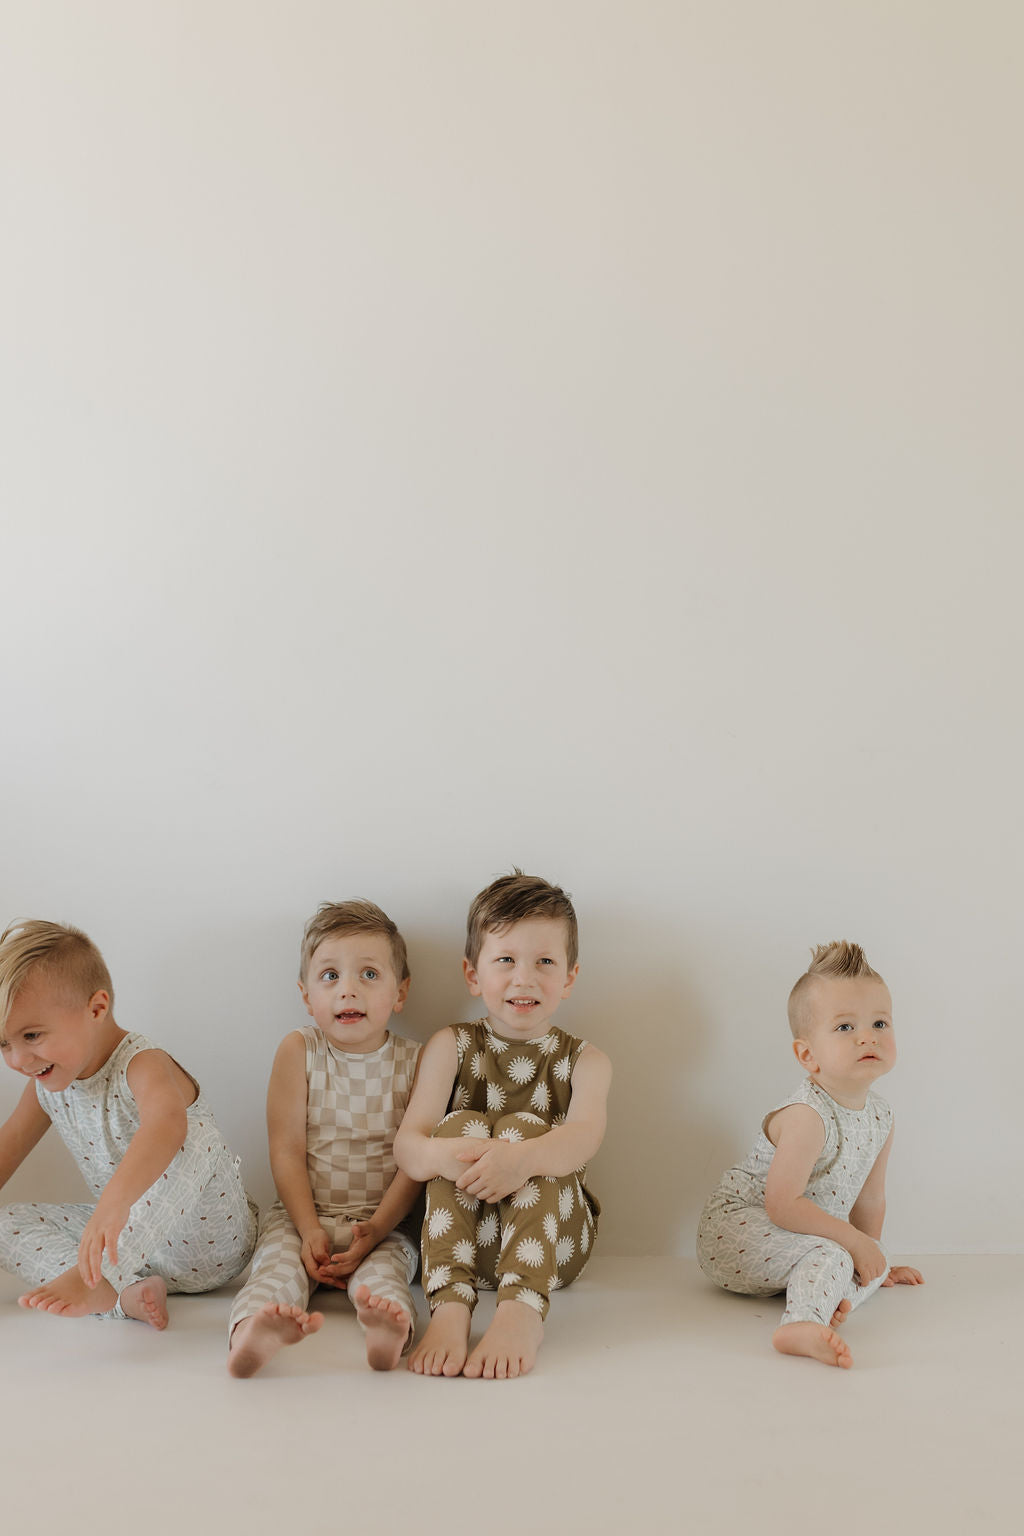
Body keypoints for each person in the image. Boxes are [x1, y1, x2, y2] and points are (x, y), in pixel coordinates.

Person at [395, 871, 611, 1380]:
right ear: (473, 975)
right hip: (460, 1238)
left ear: (569, 977)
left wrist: (521, 1158)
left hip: (554, 1244)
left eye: (544, 962)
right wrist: (444, 1155)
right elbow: (409, 1145)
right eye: (506, 960)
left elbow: (582, 1139)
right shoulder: (450, 1044)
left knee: (523, 1127)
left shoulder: (587, 1061)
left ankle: (521, 1312)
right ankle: (449, 1307)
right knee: (461, 1125)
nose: (524, 978)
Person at [0, 919, 257, 1327]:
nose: (16, 1059)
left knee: (195, 1136)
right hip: (130, 1252)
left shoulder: (142, 1063)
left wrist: (114, 1204)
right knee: (5, 1223)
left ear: (97, 1008)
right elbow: (7, 1147)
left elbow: (166, 1127)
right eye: (3, 1043)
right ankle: (121, 1296)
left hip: (209, 1246)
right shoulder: (45, 1087)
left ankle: (101, 1276)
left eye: (31, 1036)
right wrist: (109, 1220)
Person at [697, 940, 923, 1368]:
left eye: (880, 1023)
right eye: (844, 1028)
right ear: (807, 1054)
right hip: (737, 1230)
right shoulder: (808, 1115)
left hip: (799, 1238)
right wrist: (855, 1245)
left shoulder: (882, 1116)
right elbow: (781, 1205)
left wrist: (872, 1260)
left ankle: (850, 1288)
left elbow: (870, 1201)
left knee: (868, 1253)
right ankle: (800, 1323)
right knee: (837, 1252)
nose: (867, 1037)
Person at [227, 900, 422, 1376]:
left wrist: (376, 1229)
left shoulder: (416, 1062)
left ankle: (386, 1329)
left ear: (401, 991)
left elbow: (414, 1162)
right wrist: (309, 1227)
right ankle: (252, 1331)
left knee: (387, 1278)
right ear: (306, 993)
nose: (348, 990)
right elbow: (286, 1150)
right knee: (274, 1269)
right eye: (330, 976)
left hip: (382, 1227)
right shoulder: (300, 1051)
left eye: (369, 975)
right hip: (299, 1217)